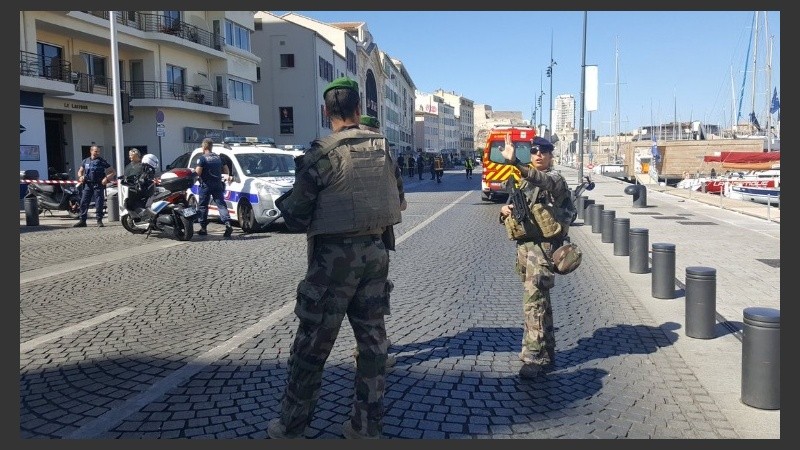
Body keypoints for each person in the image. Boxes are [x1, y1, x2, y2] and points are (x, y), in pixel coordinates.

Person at [268, 76, 405, 440]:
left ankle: (292, 426)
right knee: (373, 343)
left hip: (333, 261)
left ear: (326, 112)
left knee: (311, 346)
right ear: (359, 109)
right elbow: (399, 198)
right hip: (376, 252)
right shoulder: (383, 148)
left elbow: (296, 216)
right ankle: (366, 427)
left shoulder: (322, 154)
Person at [497, 135, 571, 379]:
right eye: (535, 151)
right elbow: (518, 211)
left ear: (551, 155)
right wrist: (504, 211)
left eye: (544, 151)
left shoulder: (555, 179)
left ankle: (533, 357)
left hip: (543, 249)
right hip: (526, 248)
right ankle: (547, 351)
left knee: (534, 304)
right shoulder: (524, 183)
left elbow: (543, 180)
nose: (539, 155)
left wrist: (515, 162)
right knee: (541, 302)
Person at [193, 138, 233, 237]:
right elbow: (226, 169)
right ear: (211, 147)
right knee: (221, 205)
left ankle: (203, 228)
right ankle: (227, 223)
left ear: (204, 147)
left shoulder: (202, 158)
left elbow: (198, 172)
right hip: (218, 184)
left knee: (203, 206)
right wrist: (225, 176)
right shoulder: (219, 157)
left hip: (206, 185)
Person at [74, 145, 115, 227]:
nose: (97, 153)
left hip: (98, 184)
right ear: (91, 151)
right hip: (88, 184)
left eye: (99, 151)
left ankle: (99, 220)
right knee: (83, 202)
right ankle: (82, 221)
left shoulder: (102, 161)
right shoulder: (85, 161)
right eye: (96, 151)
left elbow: (113, 172)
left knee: (99, 203)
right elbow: (80, 171)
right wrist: (80, 176)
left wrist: (106, 178)